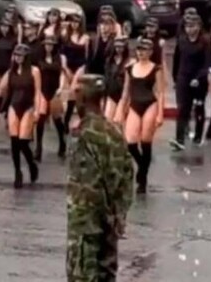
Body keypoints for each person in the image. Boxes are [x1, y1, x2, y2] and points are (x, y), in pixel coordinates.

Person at [66, 74, 134, 282]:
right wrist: (118, 215)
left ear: (83, 98)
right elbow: (127, 177)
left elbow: (84, 187)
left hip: (85, 225)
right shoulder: (114, 133)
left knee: (82, 275)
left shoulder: (82, 134)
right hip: (109, 224)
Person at [116, 38, 165, 194]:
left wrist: (160, 113)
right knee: (131, 141)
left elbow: (160, 92)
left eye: (144, 50)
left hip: (150, 103)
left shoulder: (156, 68)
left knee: (145, 141)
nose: (141, 52)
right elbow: (125, 91)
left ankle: (143, 178)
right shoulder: (130, 68)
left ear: (150, 52)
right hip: (134, 104)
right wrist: (120, 110)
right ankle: (142, 166)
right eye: (139, 50)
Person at [0, 44, 41, 188]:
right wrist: (1, 110)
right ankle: (17, 172)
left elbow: (37, 92)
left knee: (23, 141)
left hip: (28, 106)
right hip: (13, 105)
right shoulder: (11, 72)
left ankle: (31, 164)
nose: (18, 58)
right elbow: (5, 91)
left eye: (21, 55)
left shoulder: (34, 71)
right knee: (14, 140)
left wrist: (37, 110)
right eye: (16, 55)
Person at [171, 14, 210, 150]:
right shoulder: (181, 40)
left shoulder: (205, 42)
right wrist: (175, 78)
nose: (189, 29)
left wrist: (198, 78)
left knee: (199, 107)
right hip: (183, 77)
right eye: (187, 26)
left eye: (192, 26)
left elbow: (207, 63)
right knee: (182, 108)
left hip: (199, 80)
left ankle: (198, 136)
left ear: (198, 26)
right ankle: (179, 139)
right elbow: (176, 60)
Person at [35, 35, 69, 161]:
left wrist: (61, 87)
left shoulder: (59, 58)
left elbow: (61, 72)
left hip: (54, 90)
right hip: (43, 90)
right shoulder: (39, 57)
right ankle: (38, 148)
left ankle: (62, 143)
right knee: (41, 120)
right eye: (46, 44)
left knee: (57, 120)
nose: (48, 47)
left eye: (51, 45)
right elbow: (37, 72)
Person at [62, 13, 90, 129]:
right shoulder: (66, 36)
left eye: (77, 22)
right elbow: (62, 54)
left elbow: (87, 57)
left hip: (80, 67)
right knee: (67, 94)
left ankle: (76, 119)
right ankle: (66, 120)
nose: (74, 24)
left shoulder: (85, 38)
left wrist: (82, 69)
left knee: (74, 91)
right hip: (67, 66)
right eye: (73, 22)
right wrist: (65, 68)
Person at [103, 36, 131, 122]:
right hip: (111, 93)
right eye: (117, 46)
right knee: (108, 119)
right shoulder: (109, 61)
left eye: (121, 47)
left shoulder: (129, 61)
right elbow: (106, 79)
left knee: (118, 120)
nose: (119, 49)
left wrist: (125, 100)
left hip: (123, 94)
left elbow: (127, 84)